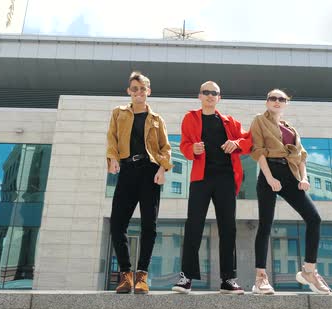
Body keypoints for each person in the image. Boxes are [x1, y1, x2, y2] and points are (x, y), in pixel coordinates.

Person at [172, 81, 251, 295]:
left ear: (219, 98)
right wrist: (193, 149)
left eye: (213, 93)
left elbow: (249, 140)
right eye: (206, 92)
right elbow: (184, 144)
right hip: (201, 178)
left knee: (228, 228)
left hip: (225, 179)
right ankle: (186, 277)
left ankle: (228, 279)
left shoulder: (230, 122)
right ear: (200, 96)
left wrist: (236, 143)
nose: (209, 96)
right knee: (194, 226)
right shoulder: (191, 118)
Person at [249, 89, 332, 295]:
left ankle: (309, 271)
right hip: (270, 172)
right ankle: (260, 278)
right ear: (267, 101)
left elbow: (301, 157)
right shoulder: (259, 120)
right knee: (265, 225)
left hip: (291, 175)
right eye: (273, 98)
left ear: (287, 103)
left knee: (314, 218)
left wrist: (304, 178)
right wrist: (269, 178)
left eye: (281, 99)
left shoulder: (291, 129)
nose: (277, 101)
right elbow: (257, 150)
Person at [106, 71, 172, 294]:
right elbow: (112, 138)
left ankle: (142, 276)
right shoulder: (118, 113)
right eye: (134, 89)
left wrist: (163, 169)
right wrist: (112, 158)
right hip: (127, 171)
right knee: (117, 224)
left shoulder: (156, 119)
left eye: (142, 89)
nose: (138, 92)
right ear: (129, 92)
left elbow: (166, 148)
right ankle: (125, 275)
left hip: (150, 171)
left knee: (149, 226)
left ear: (148, 92)